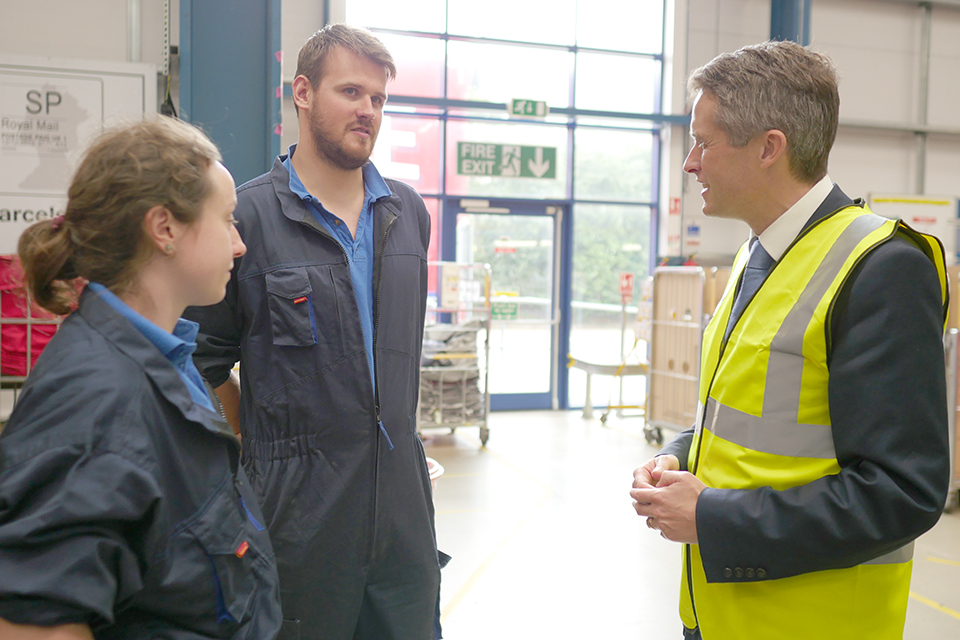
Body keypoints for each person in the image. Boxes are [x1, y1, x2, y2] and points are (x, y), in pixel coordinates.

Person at [630, 41, 950, 640]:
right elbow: (745, 420)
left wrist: (711, 516)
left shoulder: (881, 267)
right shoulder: (758, 253)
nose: (689, 163)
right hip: (721, 615)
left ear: (768, 149)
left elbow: (903, 491)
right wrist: (677, 455)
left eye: (703, 142)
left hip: (813, 622)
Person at [183, 24, 440, 640]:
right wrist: (267, 447)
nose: (368, 111)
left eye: (378, 98)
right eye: (351, 92)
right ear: (302, 92)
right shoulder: (249, 218)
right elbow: (200, 360)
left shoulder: (407, 215)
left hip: (403, 522)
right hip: (298, 524)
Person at [0, 117, 282, 639]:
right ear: (165, 228)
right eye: (226, 220)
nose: (239, 245)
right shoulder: (94, 398)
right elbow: (33, 625)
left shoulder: (167, 360)